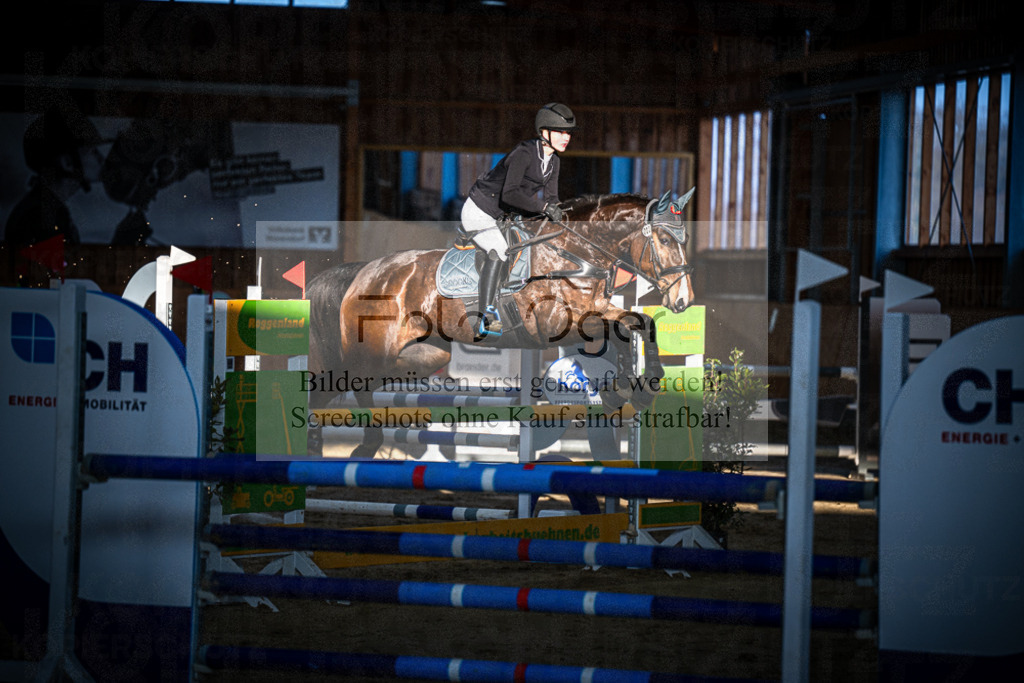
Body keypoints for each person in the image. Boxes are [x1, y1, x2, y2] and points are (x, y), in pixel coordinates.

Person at [461, 102, 576, 335]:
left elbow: (553, 199)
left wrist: (565, 218)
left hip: (503, 217)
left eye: (568, 133)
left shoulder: (554, 162)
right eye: (560, 132)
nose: (566, 137)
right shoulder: (524, 153)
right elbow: (510, 193)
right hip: (480, 210)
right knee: (500, 249)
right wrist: (543, 207)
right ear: (544, 133)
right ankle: (485, 318)